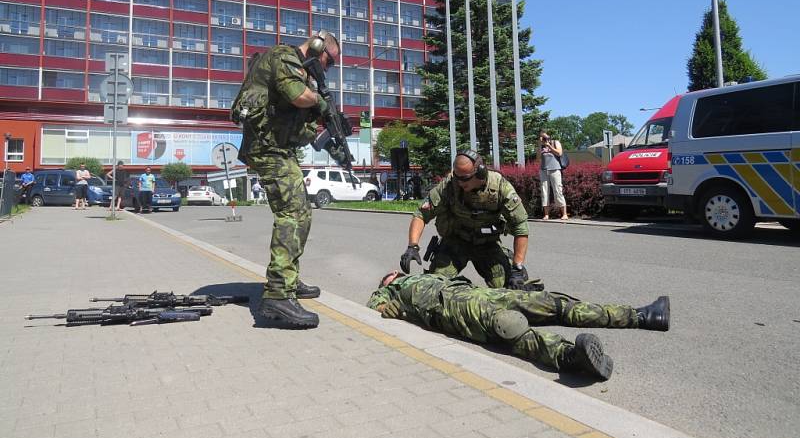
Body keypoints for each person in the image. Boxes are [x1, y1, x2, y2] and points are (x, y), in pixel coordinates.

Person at [368, 271, 670, 381]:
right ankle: (574, 358)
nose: (392, 274)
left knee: (554, 304)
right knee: (510, 329)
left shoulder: (428, 275)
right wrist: (386, 306)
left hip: (484, 294)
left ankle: (642, 316)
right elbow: (372, 305)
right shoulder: (394, 290)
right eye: (389, 276)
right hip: (457, 309)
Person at [238, 30, 345, 329]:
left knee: (303, 214)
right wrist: (321, 104)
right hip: (267, 148)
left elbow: (299, 128)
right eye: (329, 61)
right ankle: (277, 296)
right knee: (292, 214)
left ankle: (288, 279)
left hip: (281, 149)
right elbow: (299, 97)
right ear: (317, 46)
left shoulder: (299, 72)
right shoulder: (283, 57)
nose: (327, 68)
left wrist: (331, 142)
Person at [400, 149, 534, 290]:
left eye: (465, 178)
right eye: (457, 177)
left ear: (481, 173)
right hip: (455, 243)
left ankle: (507, 261)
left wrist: (517, 267)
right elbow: (421, 214)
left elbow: (520, 225)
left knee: (511, 287)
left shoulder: (501, 187)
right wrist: (412, 246)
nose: (460, 182)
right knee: (434, 288)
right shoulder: (449, 185)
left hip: (487, 244)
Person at [539, 131, 568, 220]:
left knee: (558, 190)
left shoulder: (555, 142)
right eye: (542, 137)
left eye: (545, 136)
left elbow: (559, 153)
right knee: (544, 192)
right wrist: (539, 146)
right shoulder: (541, 146)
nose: (544, 138)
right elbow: (537, 158)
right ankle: (546, 214)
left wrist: (549, 146)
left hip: (555, 169)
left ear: (549, 136)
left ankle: (564, 214)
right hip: (544, 170)